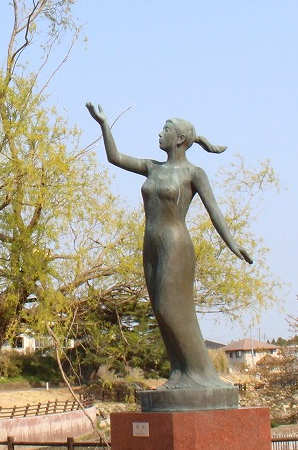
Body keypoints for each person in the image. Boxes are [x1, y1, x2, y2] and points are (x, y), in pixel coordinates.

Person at [86, 102, 253, 397]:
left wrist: (233, 244)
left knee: (171, 308)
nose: (159, 134)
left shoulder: (194, 173)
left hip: (176, 244)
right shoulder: (153, 167)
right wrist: (103, 124)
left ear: (179, 139)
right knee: (160, 311)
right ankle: (179, 371)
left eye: (165, 129)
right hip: (150, 244)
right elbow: (115, 157)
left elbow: (215, 212)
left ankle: (201, 375)